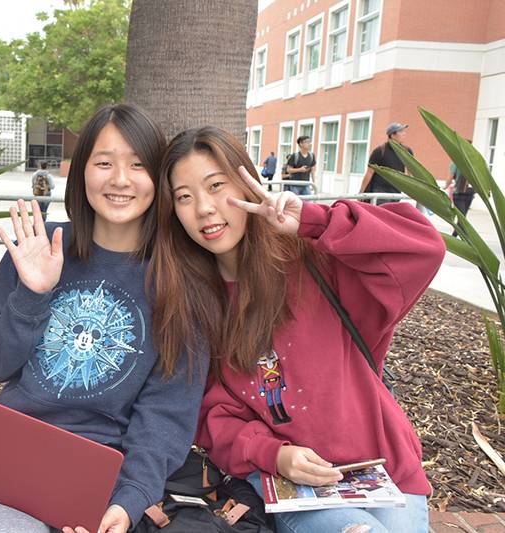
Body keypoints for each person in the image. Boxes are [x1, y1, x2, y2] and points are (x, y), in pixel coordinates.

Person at [151, 126, 444, 533]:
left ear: (247, 182)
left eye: (217, 186)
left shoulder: (316, 262)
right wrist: (275, 454)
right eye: (184, 196)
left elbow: (423, 247)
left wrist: (315, 221)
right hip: (286, 482)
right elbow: (213, 413)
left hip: (381, 467)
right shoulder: (195, 302)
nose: (204, 208)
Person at [0, 104, 205, 533]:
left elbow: (165, 415)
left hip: (105, 476)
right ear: (81, 171)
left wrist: (129, 501)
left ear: (158, 179)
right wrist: (33, 295)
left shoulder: (181, 283)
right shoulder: (39, 246)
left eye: (138, 165)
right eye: (103, 162)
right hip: (8, 460)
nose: (120, 180)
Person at [360, 123, 413, 205]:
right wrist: (361, 192)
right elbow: (369, 173)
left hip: (396, 190)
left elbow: (410, 170)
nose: (404, 133)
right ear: (392, 135)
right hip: (380, 190)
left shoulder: (407, 151)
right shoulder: (380, 151)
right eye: (401, 131)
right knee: (381, 214)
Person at [446, 158, 475, 237]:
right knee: (462, 218)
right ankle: (458, 237)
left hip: (469, 193)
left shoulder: (471, 163)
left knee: (463, 219)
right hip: (459, 194)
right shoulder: (456, 163)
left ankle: (457, 237)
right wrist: (445, 186)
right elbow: (451, 177)